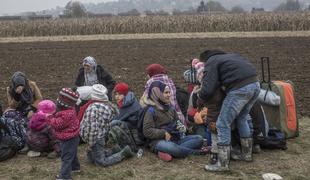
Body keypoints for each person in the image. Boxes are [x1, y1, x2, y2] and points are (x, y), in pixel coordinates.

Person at [198, 50, 260, 171]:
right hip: (255, 85)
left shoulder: (211, 61)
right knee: (242, 118)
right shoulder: (231, 56)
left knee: (222, 123)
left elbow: (208, 88)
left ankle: (222, 164)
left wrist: (200, 97)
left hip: (240, 89)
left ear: (205, 59)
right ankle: (247, 155)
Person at [143, 81, 205, 162]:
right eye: (166, 93)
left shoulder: (170, 108)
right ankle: (197, 152)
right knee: (173, 148)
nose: (169, 95)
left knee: (199, 139)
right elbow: (147, 131)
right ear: (158, 94)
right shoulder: (151, 110)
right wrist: (163, 133)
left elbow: (177, 122)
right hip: (158, 141)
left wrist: (182, 128)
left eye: (169, 92)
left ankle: (167, 152)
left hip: (175, 139)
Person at [79, 84, 135, 167]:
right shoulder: (104, 107)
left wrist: (91, 142)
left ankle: (123, 153)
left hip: (95, 138)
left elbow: (92, 129)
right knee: (91, 158)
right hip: (99, 136)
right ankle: (114, 150)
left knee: (101, 163)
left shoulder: (93, 108)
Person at [47, 88, 80, 180]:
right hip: (73, 137)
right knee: (72, 153)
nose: (57, 101)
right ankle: (75, 168)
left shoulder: (66, 114)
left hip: (68, 139)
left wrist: (49, 117)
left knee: (66, 157)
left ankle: (65, 176)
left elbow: (57, 124)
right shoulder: (70, 109)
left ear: (63, 103)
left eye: (59, 99)